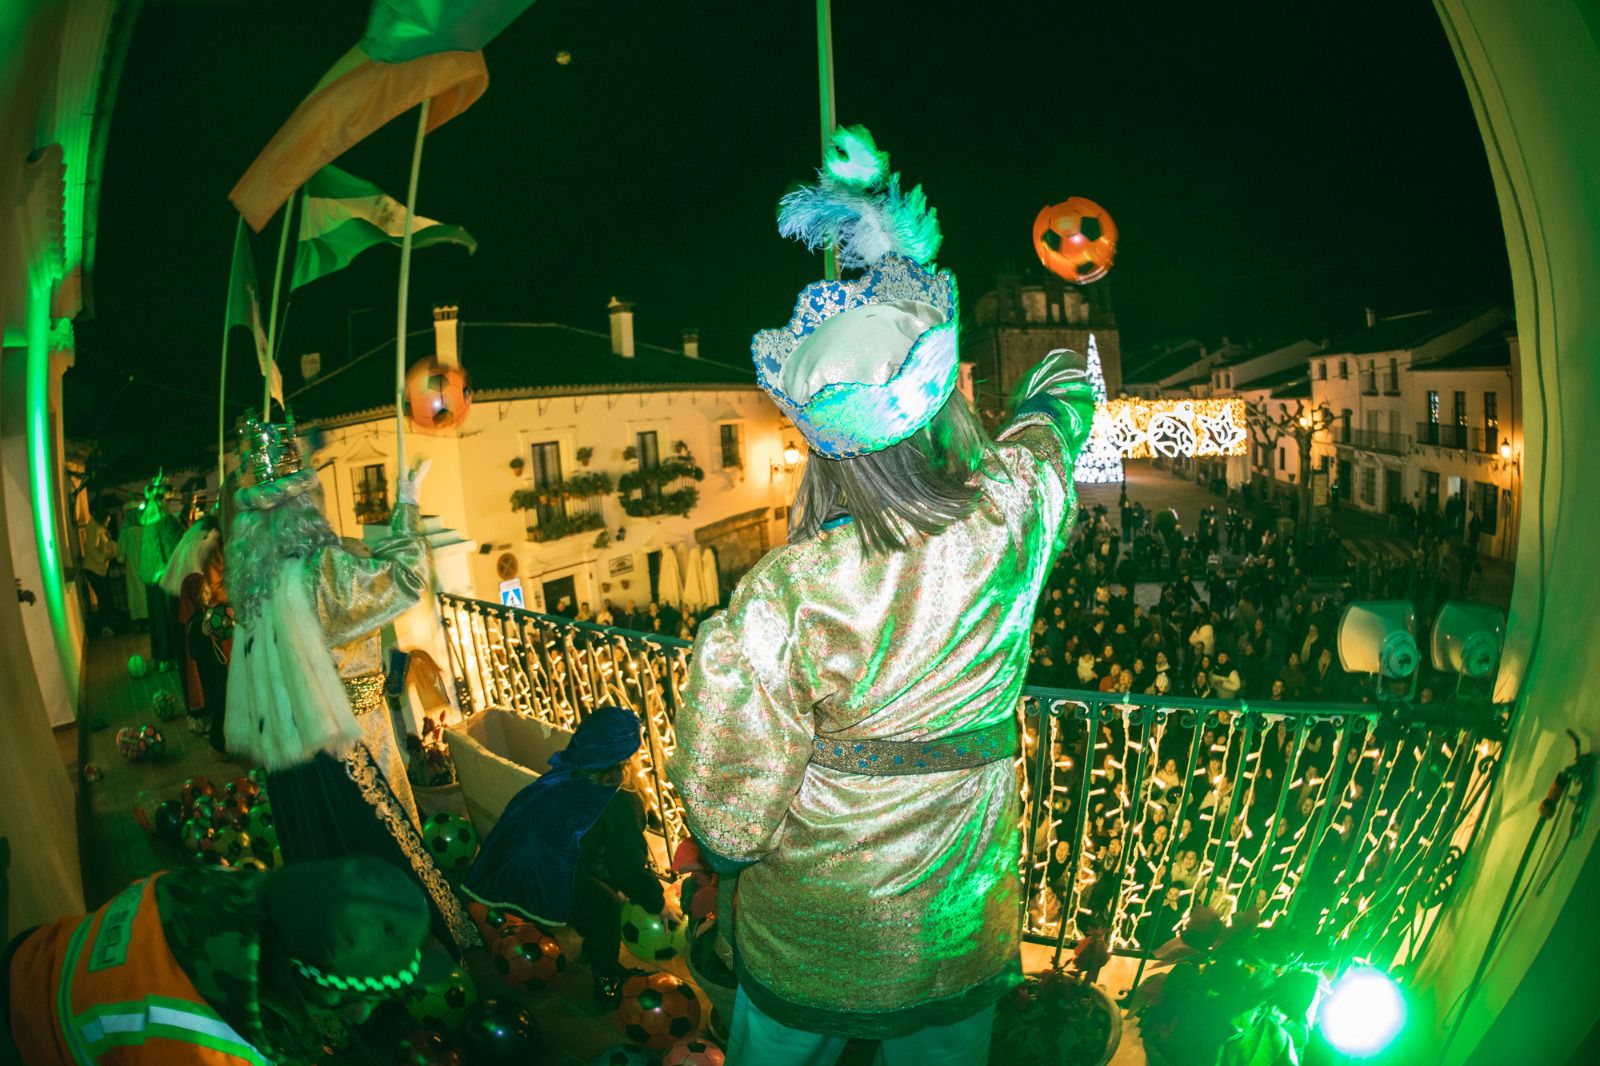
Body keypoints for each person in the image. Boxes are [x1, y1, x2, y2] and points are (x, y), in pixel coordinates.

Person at [668, 127, 1095, 1065]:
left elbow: (730, 814)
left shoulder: (785, 592)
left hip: (813, 932)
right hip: (956, 920)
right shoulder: (1015, 511)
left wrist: (727, 866)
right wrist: (1041, 392)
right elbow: (1065, 396)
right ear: (947, 398)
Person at [222, 416, 477, 955]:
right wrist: (406, 503)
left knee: (319, 856)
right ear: (302, 509)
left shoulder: (254, 583)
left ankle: (336, 956)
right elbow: (404, 580)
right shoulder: (320, 572)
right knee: (381, 847)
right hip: (352, 739)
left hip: (292, 753)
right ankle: (407, 944)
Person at [3, 856, 442, 1065]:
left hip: (31, 955)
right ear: (352, 1004)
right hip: (29, 1040)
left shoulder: (201, 882)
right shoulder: (215, 1049)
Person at [463, 706, 665, 1004]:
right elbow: (626, 869)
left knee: (589, 893)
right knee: (607, 907)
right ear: (626, 759)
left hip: (514, 859)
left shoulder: (565, 774)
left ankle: (591, 941)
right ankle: (607, 979)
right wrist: (656, 900)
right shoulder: (619, 802)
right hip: (545, 869)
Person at [136, 477, 184, 670]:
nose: (168, 504)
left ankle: (161, 657)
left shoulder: (148, 524)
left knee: (157, 618)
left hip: (152, 579)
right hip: (165, 577)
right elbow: (178, 544)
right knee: (169, 617)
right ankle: (171, 656)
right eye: (167, 500)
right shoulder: (165, 522)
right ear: (162, 500)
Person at [80, 509, 118, 635]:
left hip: (98, 569)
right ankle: (104, 626)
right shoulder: (95, 530)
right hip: (94, 569)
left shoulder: (99, 529)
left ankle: (106, 624)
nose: (107, 523)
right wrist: (103, 558)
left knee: (105, 597)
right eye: (107, 521)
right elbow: (91, 548)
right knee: (103, 597)